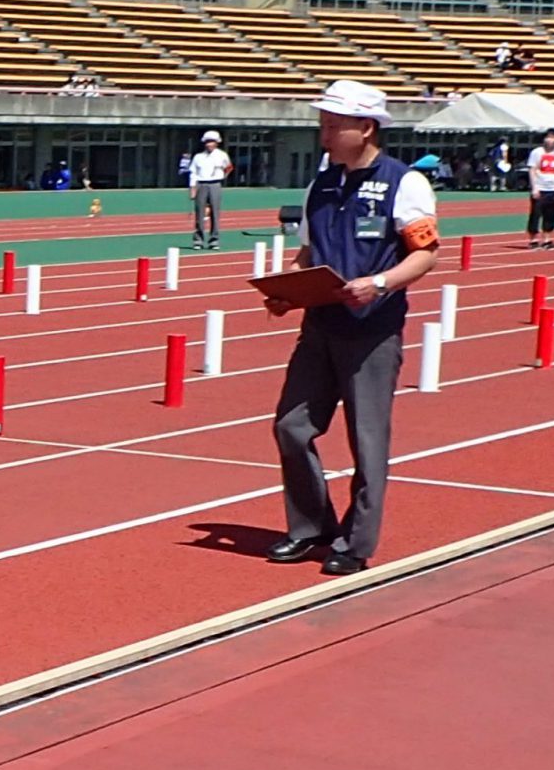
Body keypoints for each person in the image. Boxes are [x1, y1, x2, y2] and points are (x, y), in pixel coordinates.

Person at [263, 81, 439, 577]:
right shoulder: (320, 183)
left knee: (367, 440)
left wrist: (380, 284)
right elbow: (308, 252)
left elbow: (425, 253)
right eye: (322, 121)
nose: (324, 131)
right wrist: (287, 291)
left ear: (366, 127)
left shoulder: (404, 183)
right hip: (320, 324)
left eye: (334, 123)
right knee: (291, 426)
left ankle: (355, 541)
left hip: (372, 329)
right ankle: (309, 527)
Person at [188, 130, 232, 249]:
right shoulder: (198, 157)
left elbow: (229, 167)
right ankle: (198, 240)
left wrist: (222, 177)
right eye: (207, 141)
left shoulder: (222, 155)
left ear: (217, 143)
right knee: (199, 213)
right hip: (201, 184)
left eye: (212, 141)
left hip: (215, 184)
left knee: (215, 213)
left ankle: (214, 240)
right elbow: (193, 173)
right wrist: (192, 188)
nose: (209, 144)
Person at [525, 128, 554, 250]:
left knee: (551, 214)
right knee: (536, 214)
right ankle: (533, 240)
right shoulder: (537, 152)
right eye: (548, 137)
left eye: (553, 137)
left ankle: (547, 240)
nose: (550, 140)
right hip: (540, 187)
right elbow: (532, 169)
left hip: (553, 189)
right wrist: (534, 188)